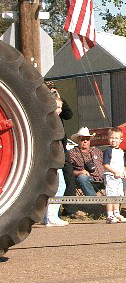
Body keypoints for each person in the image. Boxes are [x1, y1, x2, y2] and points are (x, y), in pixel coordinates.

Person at [46, 81, 79, 219]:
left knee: (68, 175)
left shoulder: (59, 108)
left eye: (54, 90)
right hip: (50, 148)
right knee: (54, 179)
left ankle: (70, 208)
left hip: (62, 146)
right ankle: (51, 213)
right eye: (50, 90)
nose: (53, 92)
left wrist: (60, 100)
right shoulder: (45, 108)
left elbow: (69, 115)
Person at [41, 97, 69, 227]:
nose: (59, 110)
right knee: (59, 186)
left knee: (53, 187)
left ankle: (48, 216)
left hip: (55, 157)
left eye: (60, 107)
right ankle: (52, 216)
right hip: (52, 158)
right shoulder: (50, 122)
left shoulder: (57, 121)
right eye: (57, 107)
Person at [103, 127, 126, 224]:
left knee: (118, 194)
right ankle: (109, 214)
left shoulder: (121, 151)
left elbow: (122, 164)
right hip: (110, 176)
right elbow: (105, 164)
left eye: (116, 138)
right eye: (112, 138)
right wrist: (114, 172)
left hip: (119, 177)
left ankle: (116, 212)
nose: (114, 140)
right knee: (110, 195)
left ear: (121, 140)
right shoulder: (108, 151)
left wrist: (124, 172)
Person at [69, 127, 104, 197]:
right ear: (78, 140)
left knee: (122, 175)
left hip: (103, 178)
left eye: (87, 139)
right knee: (82, 177)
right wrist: (79, 172)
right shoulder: (72, 153)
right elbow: (67, 170)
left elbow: (106, 164)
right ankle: (94, 201)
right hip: (87, 179)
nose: (85, 141)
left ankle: (116, 201)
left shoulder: (97, 151)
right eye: (82, 139)